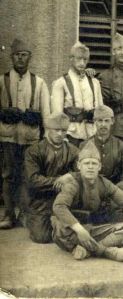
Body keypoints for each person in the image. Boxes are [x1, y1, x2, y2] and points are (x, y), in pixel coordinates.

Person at [51, 141, 123, 262]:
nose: (90, 167)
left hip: (93, 228)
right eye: (86, 163)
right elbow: (59, 206)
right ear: (79, 165)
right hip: (72, 229)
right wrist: (80, 230)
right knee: (60, 230)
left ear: (99, 166)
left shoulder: (105, 183)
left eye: (94, 163)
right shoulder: (72, 183)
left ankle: (85, 250)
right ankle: (106, 252)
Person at [0, 38, 50, 229]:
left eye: (24, 55)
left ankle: (25, 214)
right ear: (11, 57)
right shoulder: (2, 81)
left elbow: (46, 113)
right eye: (16, 55)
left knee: (28, 176)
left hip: (31, 139)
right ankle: (8, 215)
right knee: (8, 176)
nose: (20, 59)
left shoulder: (39, 83)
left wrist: (45, 138)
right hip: (8, 137)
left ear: (30, 57)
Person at [23, 113, 78, 242]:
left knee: (77, 227)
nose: (59, 134)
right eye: (56, 130)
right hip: (39, 200)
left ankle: (59, 221)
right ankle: (28, 217)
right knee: (42, 237)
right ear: (48, 129)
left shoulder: (73, 151)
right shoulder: (34, 151)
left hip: (64, 198)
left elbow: (80, 173)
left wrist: (69, 175)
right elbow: (33, 179)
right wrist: (59, 180)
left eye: (63, 130)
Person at [51, 41, 103, 148]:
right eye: (78, 59)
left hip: (91, 134)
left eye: (85, 60)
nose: (82, 63)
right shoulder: (61, 83)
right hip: (71, 135)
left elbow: (100, 109)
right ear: (71, 59)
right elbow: (57, 114)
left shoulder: (94, 83)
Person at [80, 105, 123, 183]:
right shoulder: (85, 145)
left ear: (112, 121)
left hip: (115, 186)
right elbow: (80, 171)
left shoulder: (121, 146)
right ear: (94, 121)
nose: (103, 124)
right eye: (100, 121)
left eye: (106, 121)